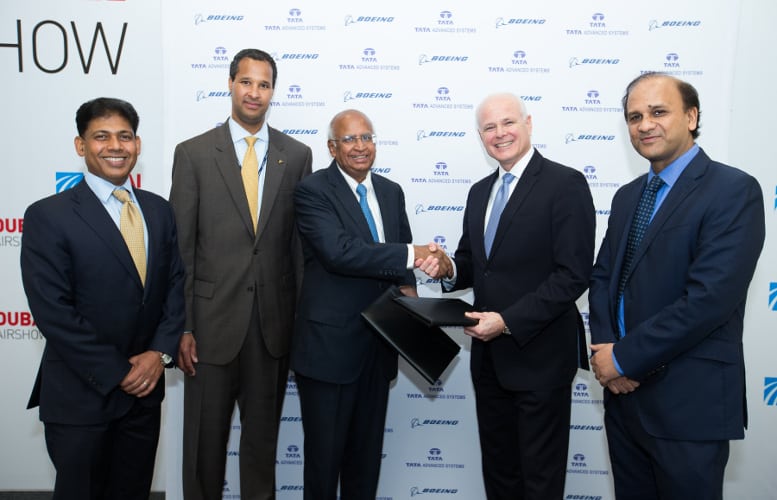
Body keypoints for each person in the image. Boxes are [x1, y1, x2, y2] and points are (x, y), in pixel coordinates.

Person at [588, 72, 765, 500]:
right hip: (624, 401)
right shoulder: (628, 196)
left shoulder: (733, 190)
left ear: (691, 116)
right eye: (634, 116)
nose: (645, 124)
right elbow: (603, 279)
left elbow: (709, 300)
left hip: (689, 404)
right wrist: (609, 356)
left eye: (658, 112)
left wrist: (625, 358)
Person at [416, 92, 595, 499]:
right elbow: (470, 263)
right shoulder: (480, 192)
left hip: (541, 359)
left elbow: (574, 275)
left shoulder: (565, 184)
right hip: (489, 363)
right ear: (480, 136)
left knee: (540, 482)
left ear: (528, 124)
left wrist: (508, 321)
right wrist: (445, 268)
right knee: (500, 478)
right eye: (489, 128)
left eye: (508, 123)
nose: (500, 134)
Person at [20, 97, 184, 500]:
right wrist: (118, 372)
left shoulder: (159, 211)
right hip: (81, 396)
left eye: (124, 136)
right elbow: (53, 311)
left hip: (144, 397)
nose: (115, 146)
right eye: (101, 136)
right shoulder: (49, 215)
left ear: (138, 144)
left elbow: (175, 287)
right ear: (81, 146)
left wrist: (158, 355)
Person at [169, 48, 313, 500]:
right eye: (246, 82)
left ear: (273, 91)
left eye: (264, 84)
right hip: (209, 329)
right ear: (230, 84)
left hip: (272, 327)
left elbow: (298, 250)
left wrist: (300, 325)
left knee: (261, 446)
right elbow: (181, 250)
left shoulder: (298, 154)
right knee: (204, 447)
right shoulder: (192, 154)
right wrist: (183, 325)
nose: (255, 92)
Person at [292, 109, 445, 499]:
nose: (360, 147)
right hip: (330, 353)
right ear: (331, 147)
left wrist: (410, 288)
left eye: (367, 137)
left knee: (365, 466)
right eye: (349, 139)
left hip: (379, 348)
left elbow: (402, 253)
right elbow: (340, 253)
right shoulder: (312, 191)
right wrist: (413, 254)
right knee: (324, 467)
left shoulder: (391, 192)